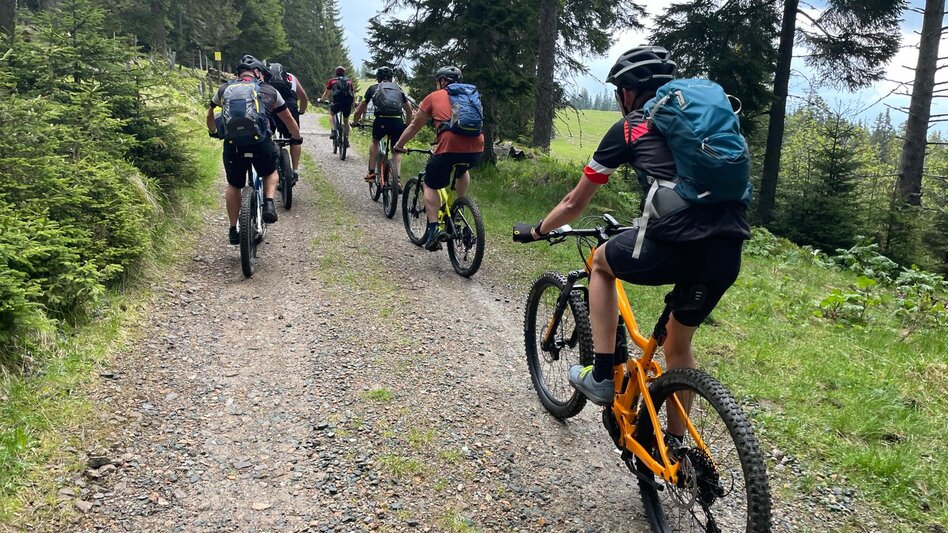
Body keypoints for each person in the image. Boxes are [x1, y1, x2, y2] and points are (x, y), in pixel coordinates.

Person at [515, 46, 751, 440]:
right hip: (727, 246)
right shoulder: (703, 120)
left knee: (602, 262)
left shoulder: (631, 128)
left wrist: (539, 230)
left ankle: (603, 374)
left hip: (676, 243)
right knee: (678, 347)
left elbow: (575, 202)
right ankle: (676, 449)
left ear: (627, 92)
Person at [206, 54, 303, 244]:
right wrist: (297, 138)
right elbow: (289, 120)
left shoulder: (225, 89)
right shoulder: (269, 90)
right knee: (271, 172)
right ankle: (268, 203)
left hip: (234, 145)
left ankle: (234, 229)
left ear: (239, 74)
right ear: (258, 72)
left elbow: (210, 112)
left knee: (234, 185)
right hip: (261, 143)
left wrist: (213, 131)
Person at [393, 66, 484, 251]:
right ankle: (459, 205)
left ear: (442, 81)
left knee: (430, 182)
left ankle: (434, 228)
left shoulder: (434, 97)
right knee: (462, 169)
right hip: (477, 146)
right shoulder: (471, 95)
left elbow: (414, 126)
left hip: (450, 145)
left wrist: (399, 145)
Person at [352, 66, 414, 182]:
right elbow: (409, 111)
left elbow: (359, 110)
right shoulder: (398, 89)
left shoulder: (373, 88)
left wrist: (355, 122)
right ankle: (397, 179)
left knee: (375, 142)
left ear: (378, 78)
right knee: (396, 149)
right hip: (397, 121)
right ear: (391, 78)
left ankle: (371, 173)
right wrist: (406, 125)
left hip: (381, 120)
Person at [267, 62, 309, 182]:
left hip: (270, 105)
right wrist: (301, 111)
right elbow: (304, 98)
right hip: (289, 107)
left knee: (266, 136)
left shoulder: (264, 76)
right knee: (295, 138)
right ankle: (295, 171)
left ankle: (268, 168)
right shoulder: (291, 77)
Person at [320, 66, 354, 146]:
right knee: (346, 121)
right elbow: (352, 93)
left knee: (332, 114)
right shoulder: (349, 81)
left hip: (337, 103)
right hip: (347, 103)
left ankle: (334, 131)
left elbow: (327, 93)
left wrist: (322, 100)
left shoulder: (332, 81)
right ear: (344, 73)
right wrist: (353, 102)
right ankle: (346, 140)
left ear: (336, 73)